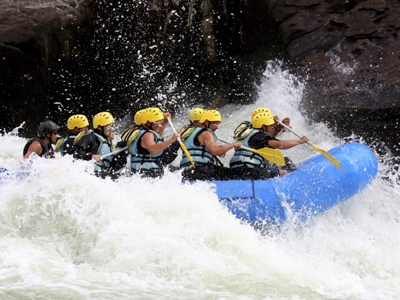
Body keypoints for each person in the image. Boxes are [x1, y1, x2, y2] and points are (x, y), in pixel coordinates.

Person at [230, 110, 310, 179]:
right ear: (263, 126)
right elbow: (280, 144)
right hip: (248, 171)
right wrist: (300, 141)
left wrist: (278, 126)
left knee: (286, 161)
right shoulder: (259, 137)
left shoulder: (249, 130)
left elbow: (269, 138)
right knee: (282, 172)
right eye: (271, 125)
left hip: (241, 168)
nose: (273, 127)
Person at [180, 109, 242, 181]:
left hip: (186, 171)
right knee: (236, 173)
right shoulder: (206, 133)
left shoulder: (190, 132)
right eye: (215, 124)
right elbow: (215, 151)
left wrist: (222, 151)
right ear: (206, 122)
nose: (217, 127)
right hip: (200, 170)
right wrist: (234, 144)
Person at [129, 107, 180, 177]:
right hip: (148, 174)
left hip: (144, 173)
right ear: (147, 122)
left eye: (160, 121)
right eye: (156, 122)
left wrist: (164, 122)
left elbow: (158, 138)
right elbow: (153, 149)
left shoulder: (143, 133)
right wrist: (171, 140)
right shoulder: (147, 134)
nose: (159, 124)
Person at [72, 112, 127, 178]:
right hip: (94, 176)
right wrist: (91, 156)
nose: (111, 129)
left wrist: (124, 151)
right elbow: (75, 153)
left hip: (105, 175)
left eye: (111, 126)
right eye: (108, 126)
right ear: (99, 127)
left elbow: (113, 164)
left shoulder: (107, 140)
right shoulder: (90, 138)